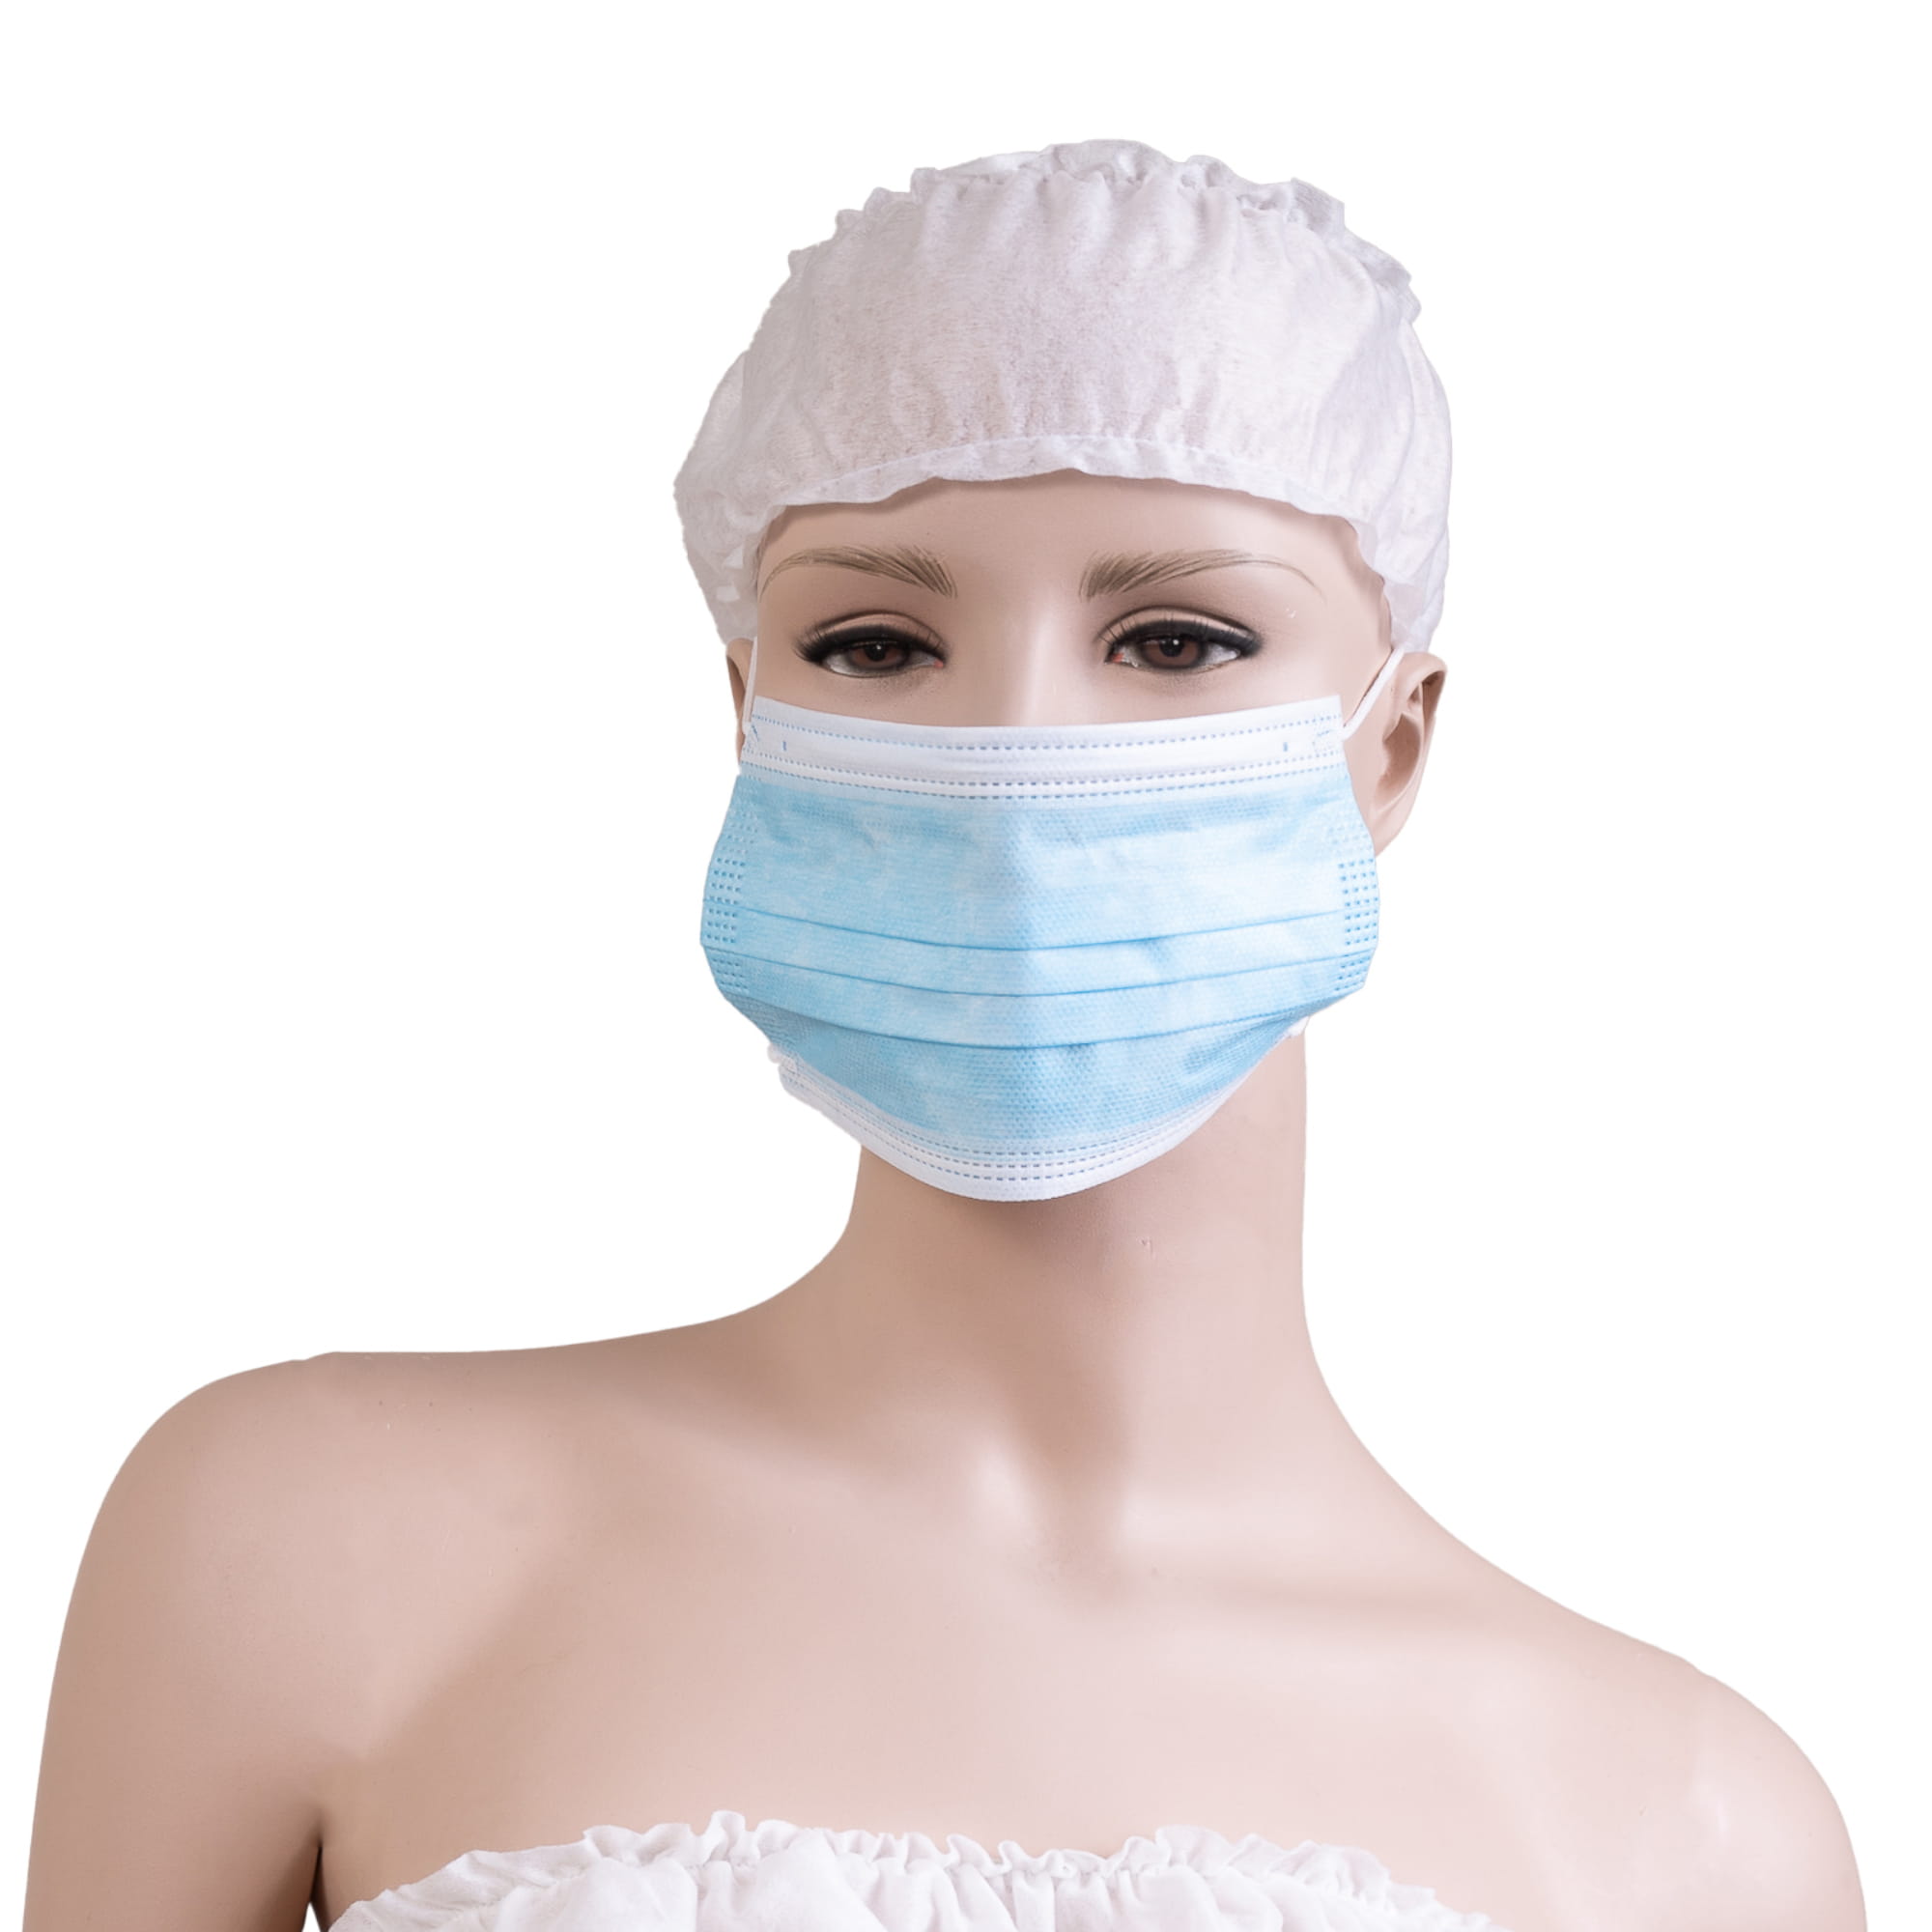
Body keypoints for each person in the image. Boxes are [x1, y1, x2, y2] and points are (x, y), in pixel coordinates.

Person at [25, 140, 1864, 1932]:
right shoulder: (311, 1541)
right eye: (876, 646)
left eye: (1177, 640)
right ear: (749, 711)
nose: (1012, 756)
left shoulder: (1695, 1839)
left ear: (1389, 747)